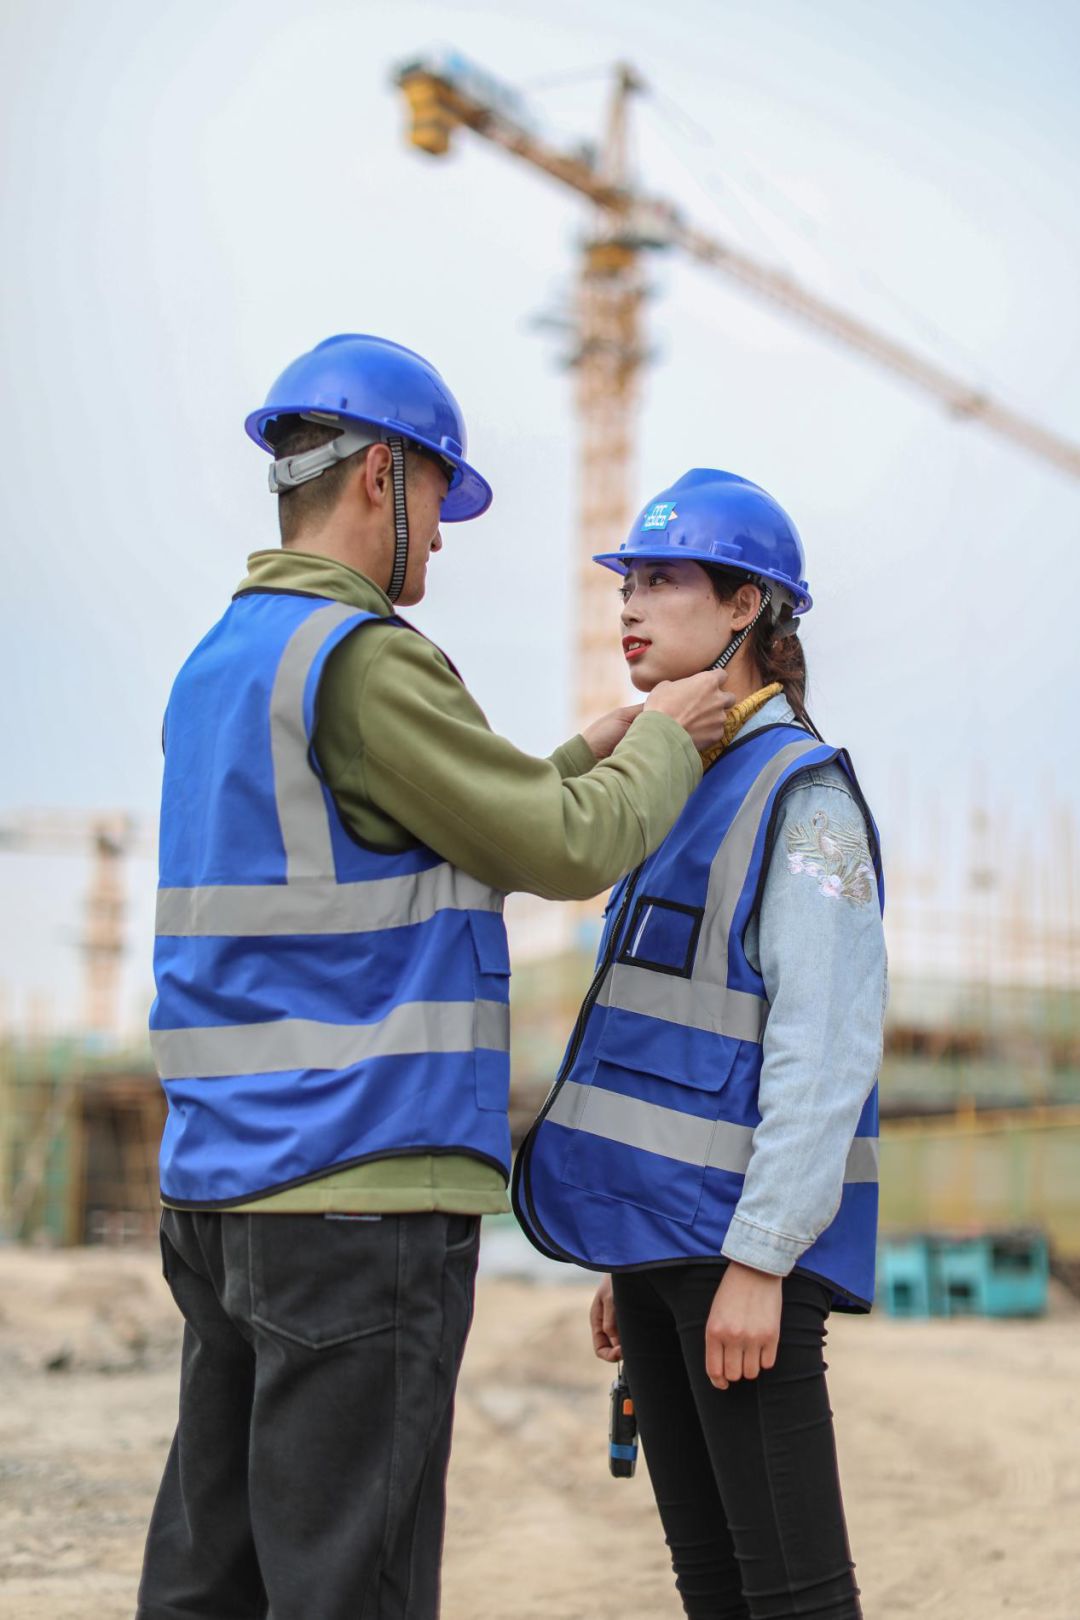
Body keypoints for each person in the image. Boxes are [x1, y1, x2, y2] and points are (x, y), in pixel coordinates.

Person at [136, 337, 735, 1620]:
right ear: (380, 480)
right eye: (439, 500)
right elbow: (563, 849)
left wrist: (582, 751)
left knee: (215, 1577)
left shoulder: (228, 663)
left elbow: (442, 827)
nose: (445, 542)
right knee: (355, 1583)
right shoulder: (366, 657)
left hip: (225, 1191)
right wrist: (671, 747)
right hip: (358, 1194)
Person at [513, 468, 887, 1620]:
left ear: (744, 611)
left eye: (662, 581)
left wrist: (764, 1259)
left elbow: (823, 1052)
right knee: (714, 1587)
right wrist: (625, 1247)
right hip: (664, 1249)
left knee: (793, 1596)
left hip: (741, 1263)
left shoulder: (800, 795)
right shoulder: (672, 789)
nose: (629, 605)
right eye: (627, 580)